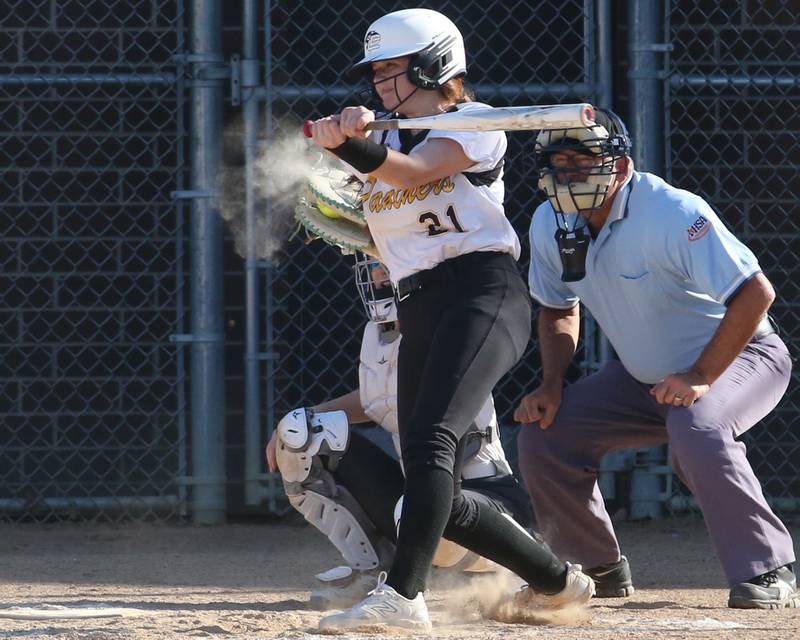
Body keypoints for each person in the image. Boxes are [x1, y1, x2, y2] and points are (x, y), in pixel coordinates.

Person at [306, 7, 594, 632]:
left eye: (396, 70)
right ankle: (559, 583)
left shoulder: (475, 124)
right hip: (419, 303)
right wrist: (333, 164)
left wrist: (350, 144)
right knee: (428, 481)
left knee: (433, 442)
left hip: (483, 291)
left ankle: (402, 599)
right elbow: (370, 210)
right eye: (376, 72)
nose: (382, 83)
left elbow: (414, 172)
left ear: (436, 65)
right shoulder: (380, 140)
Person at [515, 108, 798, 609]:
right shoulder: (547, 221)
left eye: (580, 162)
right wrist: (553, 382)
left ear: (619, 168)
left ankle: (769, 568)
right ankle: (595, 566)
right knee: (545, 434)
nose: (565, 174)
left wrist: (700, 375)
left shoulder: (672, 211)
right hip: (644, 379)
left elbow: (756, 293)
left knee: (697, 427)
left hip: (742, 356)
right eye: (556, 163)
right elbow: (558, 308)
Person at [266, 257, 535, 609]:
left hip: (485, 498)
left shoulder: (448, 324)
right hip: (420, 500)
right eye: (372, 265)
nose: (378, 273)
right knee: (302, 432)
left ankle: (525, 562)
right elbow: (378, 398)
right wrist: (306, 416)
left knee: (416, 503)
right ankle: (373, 571)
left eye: (385, 263)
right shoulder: (378, 334)